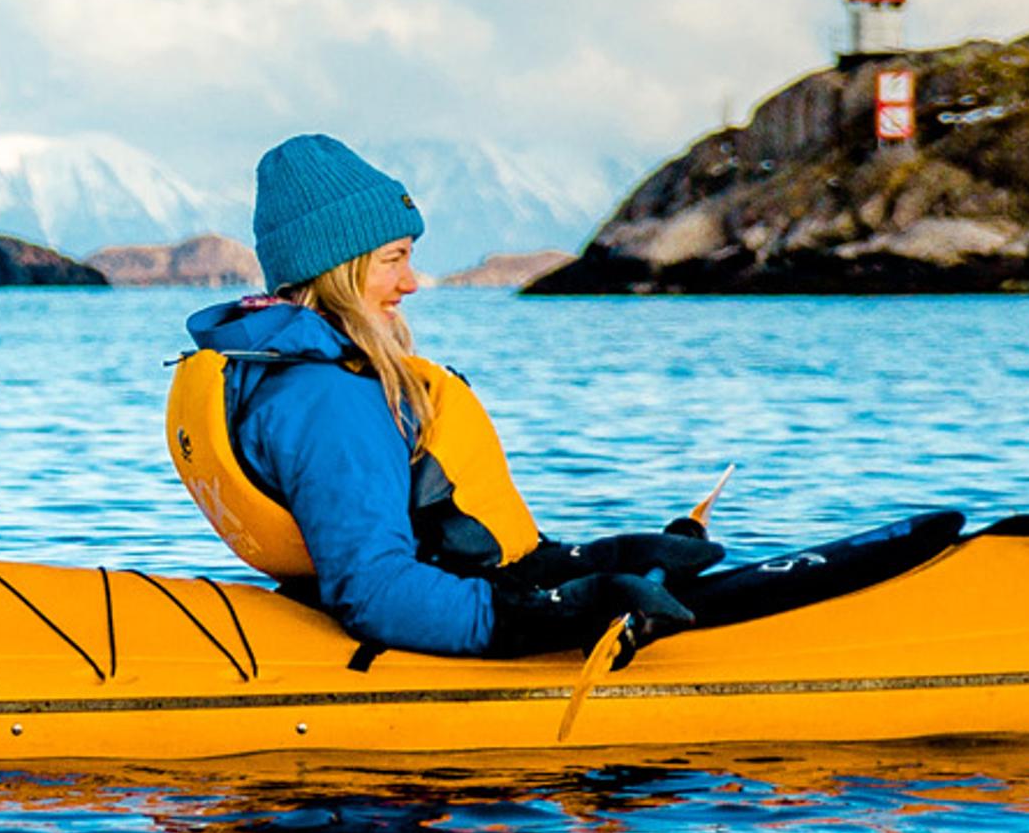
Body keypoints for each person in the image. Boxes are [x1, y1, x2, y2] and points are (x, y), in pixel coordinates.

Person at [168, 135, 710, 658]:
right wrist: (551, 614)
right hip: (431, 618)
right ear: (338, 269)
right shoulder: (331, 400)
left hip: (456, 587)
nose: (410, 283)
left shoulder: (291, 370)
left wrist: (590, 561)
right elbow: (373, 591)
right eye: (393, 259)